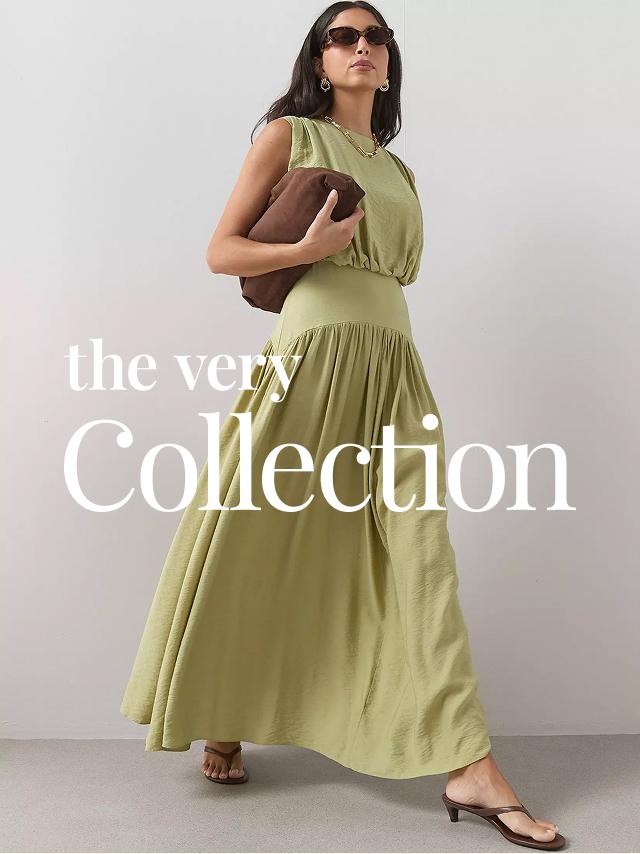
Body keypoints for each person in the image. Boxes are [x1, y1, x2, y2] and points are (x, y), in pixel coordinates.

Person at [120, 2, 564, 849]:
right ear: (319, 61)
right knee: (260, 535)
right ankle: (224, 710)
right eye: (343, 37)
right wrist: (303, 251)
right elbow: (221, 251)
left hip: (392, 365)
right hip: (311, 355)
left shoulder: (399, 171)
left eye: (375, 38)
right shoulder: (288, 137)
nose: (361, 47)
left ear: (388, 65)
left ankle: (468, 765)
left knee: (419, 552)